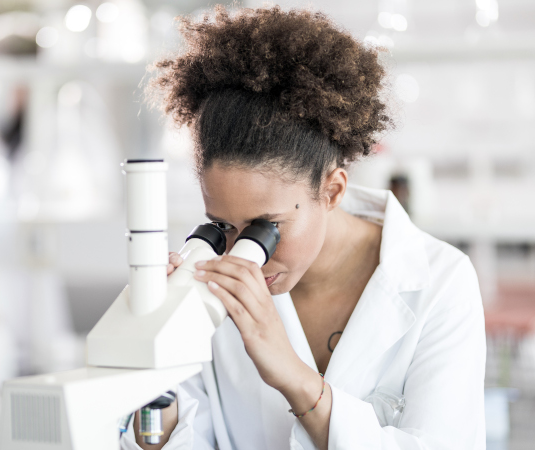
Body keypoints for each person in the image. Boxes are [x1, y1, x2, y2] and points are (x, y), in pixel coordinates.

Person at [122, 6, 486, 450]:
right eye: (222, 226)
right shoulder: (208, 283)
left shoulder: (441, 282)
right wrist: (155, 364)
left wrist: (294, 377)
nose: (243, 256)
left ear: (332, 191)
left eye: (266, 227)